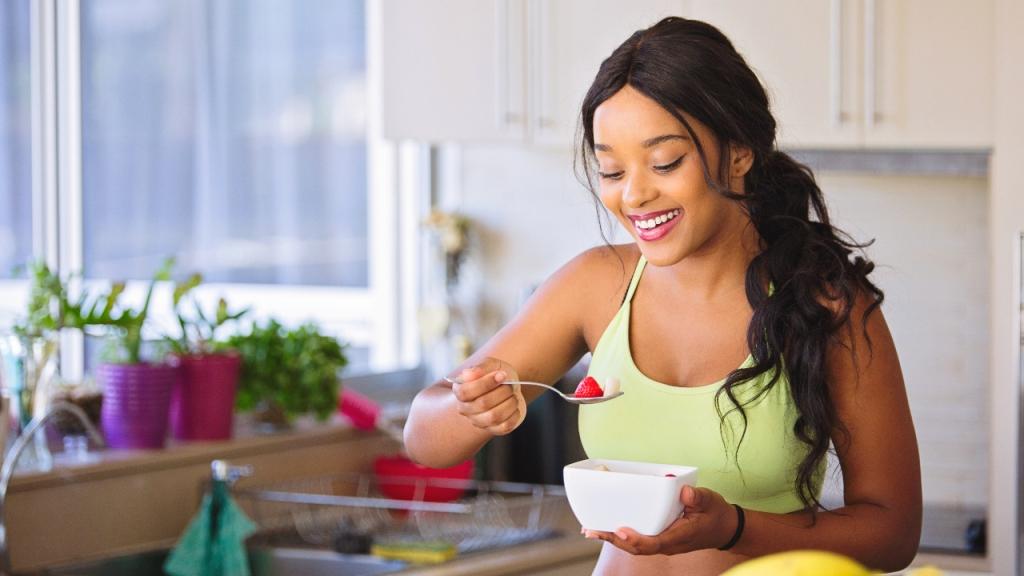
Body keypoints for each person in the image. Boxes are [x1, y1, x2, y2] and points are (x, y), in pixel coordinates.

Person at [403, 16, 921, 575]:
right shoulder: (595, 285)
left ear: (740, 151)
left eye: (665, 162)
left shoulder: (827, 306)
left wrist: (735, 528)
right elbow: (424, 440)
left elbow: (893, 532)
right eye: (610, 169)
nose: (634, 195)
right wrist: (469, 407)